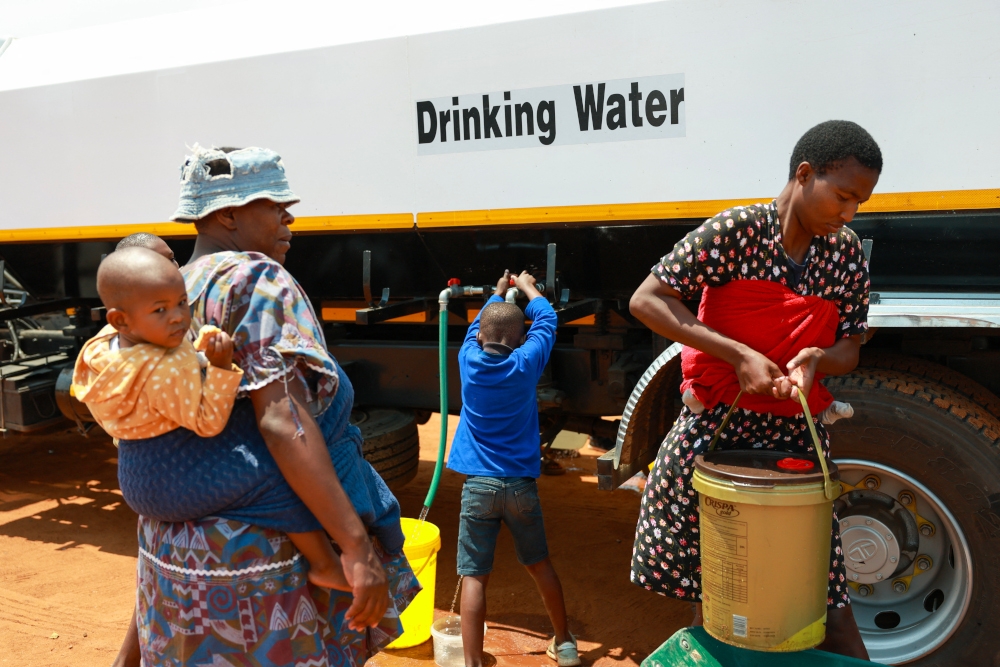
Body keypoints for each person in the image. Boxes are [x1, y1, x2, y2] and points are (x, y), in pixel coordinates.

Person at [110, 145, 419, 667]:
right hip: (255, 559)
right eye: (274, 205)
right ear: (228, 214)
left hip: (168, 560)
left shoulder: (155, 295)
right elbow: (283, 420)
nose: (288, 216)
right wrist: (355, 546)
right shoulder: (257, 280)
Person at [628, 120, 881, 660]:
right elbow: (647, 300)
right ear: (804, 174)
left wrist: (817, 359)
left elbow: (851, 346)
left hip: (796, 451)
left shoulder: (845, 254)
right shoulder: (736, 232)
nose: (848, 214)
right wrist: (736, 354)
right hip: (716, 445)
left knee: (826, 610)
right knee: (722, 617)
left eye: (858, 203)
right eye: (842, 197)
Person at [73, 247, 349, 591]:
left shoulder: (100, 350)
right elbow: (208, 423)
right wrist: (220, 368)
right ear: (120, 320)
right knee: (278, 471)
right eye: (160, 310)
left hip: (135, 474)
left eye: (181, 303)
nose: (177, 317)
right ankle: (324, 563)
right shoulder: (166, 367)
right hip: (175, 480)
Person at [446, 270, 580, 667]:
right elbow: (548, 320)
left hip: (478, 488)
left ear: (482, 337)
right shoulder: (525, 363)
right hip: (520, 488)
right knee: (539, 565)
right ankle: (565, 643)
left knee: (474, 576)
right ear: (519, 339)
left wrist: (498, 293)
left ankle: (472, 662)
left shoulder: (468, 360)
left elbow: (477, 327)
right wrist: (527, 288)